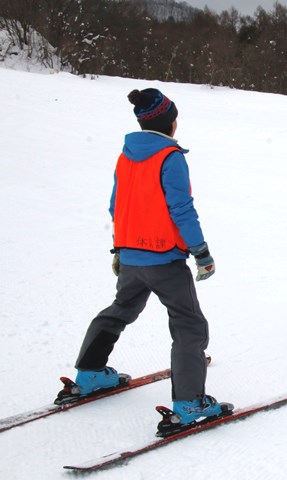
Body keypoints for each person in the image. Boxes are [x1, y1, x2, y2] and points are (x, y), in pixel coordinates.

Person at [59, 88, 223, 429]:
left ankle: (89, 374)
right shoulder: (170, 157)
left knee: (120, 310)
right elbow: (181, 208)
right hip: (164, 259)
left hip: (132, 258)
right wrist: (201, 252)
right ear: (171, 122)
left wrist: (122, 248)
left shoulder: (126, 155)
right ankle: (191, 403)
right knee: (189, 325)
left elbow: (115, 206)